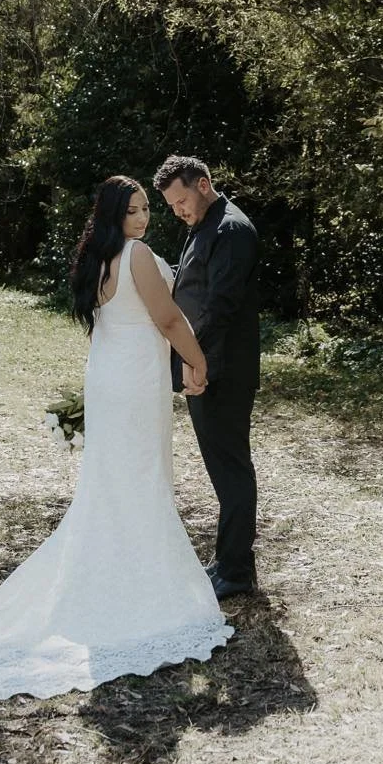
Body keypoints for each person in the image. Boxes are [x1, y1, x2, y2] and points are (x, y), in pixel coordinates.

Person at [0, 176, 232, 698]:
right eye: (132, 211)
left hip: (108, 375)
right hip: (133, 382)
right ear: (111, 216)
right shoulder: (137, 255)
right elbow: (168, 319)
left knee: (113, 481)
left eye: (146, 208)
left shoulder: (96, 260)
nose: (143, 218)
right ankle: (141, 592)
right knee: (140, 478)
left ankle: (113, 575)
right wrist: (199, 363)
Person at [155, 156, 260, 600]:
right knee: (221, 468)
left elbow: (220, 308)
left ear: (203, 184)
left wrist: (196, 365)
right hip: (203, 365)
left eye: (182, 200)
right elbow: (190, 288)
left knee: (231, 467)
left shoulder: (230, 230)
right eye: (172, 205)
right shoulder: (203, 225)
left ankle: (236, 572)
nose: (178, 210)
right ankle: (228, 559)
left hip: (221, 370)